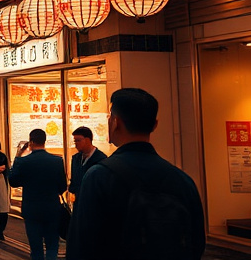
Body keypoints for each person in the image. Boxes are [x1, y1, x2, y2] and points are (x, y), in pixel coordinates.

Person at [66, 88, 205, 260]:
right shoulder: (183, 181)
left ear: (115, 122)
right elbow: (197, 243)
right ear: (155, 125)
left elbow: (81, 245)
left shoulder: (99, 177)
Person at [8, 129, 67, 260]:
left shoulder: (24, 162)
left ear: (31, 142)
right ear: (44, 141)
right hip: (52, 208)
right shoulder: (56, 161)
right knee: (52, 245)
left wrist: (18, 157)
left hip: (32, 210)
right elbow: (62, 186)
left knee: (36, 248)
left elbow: (13, 181)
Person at [68, 126, 107, 198]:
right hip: (79, 201)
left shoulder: (101, 159)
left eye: (78, 140)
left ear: (88, 140)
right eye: (75, 141)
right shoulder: (76, 158)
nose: (76, 144)